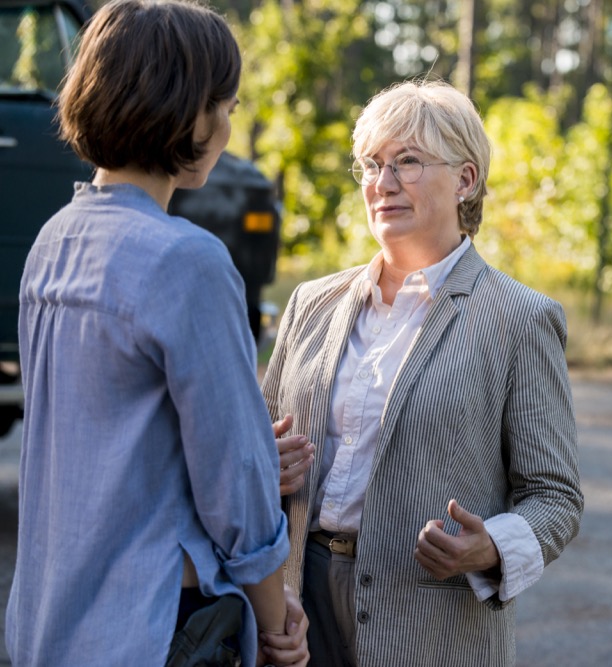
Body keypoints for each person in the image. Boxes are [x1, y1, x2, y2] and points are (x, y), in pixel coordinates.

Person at [4, 1, 308, 665]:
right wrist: (276, 617)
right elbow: (237, 488)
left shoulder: (53, 241)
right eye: (222, 104)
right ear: (183, 110)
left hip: (47, 624)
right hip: (157, 626)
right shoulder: (187, 260)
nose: (227, 125)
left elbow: (105, 438)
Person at [261, 79, 584, 666]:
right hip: (294, 614)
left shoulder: (521, 319)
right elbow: (252, 445)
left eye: (407, 163)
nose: (382, 185)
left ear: (466, 179)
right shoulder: (311, 303)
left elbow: (554, 497)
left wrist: (490, 547)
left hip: (429, 629)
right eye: (371, 165)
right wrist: (262, 461)